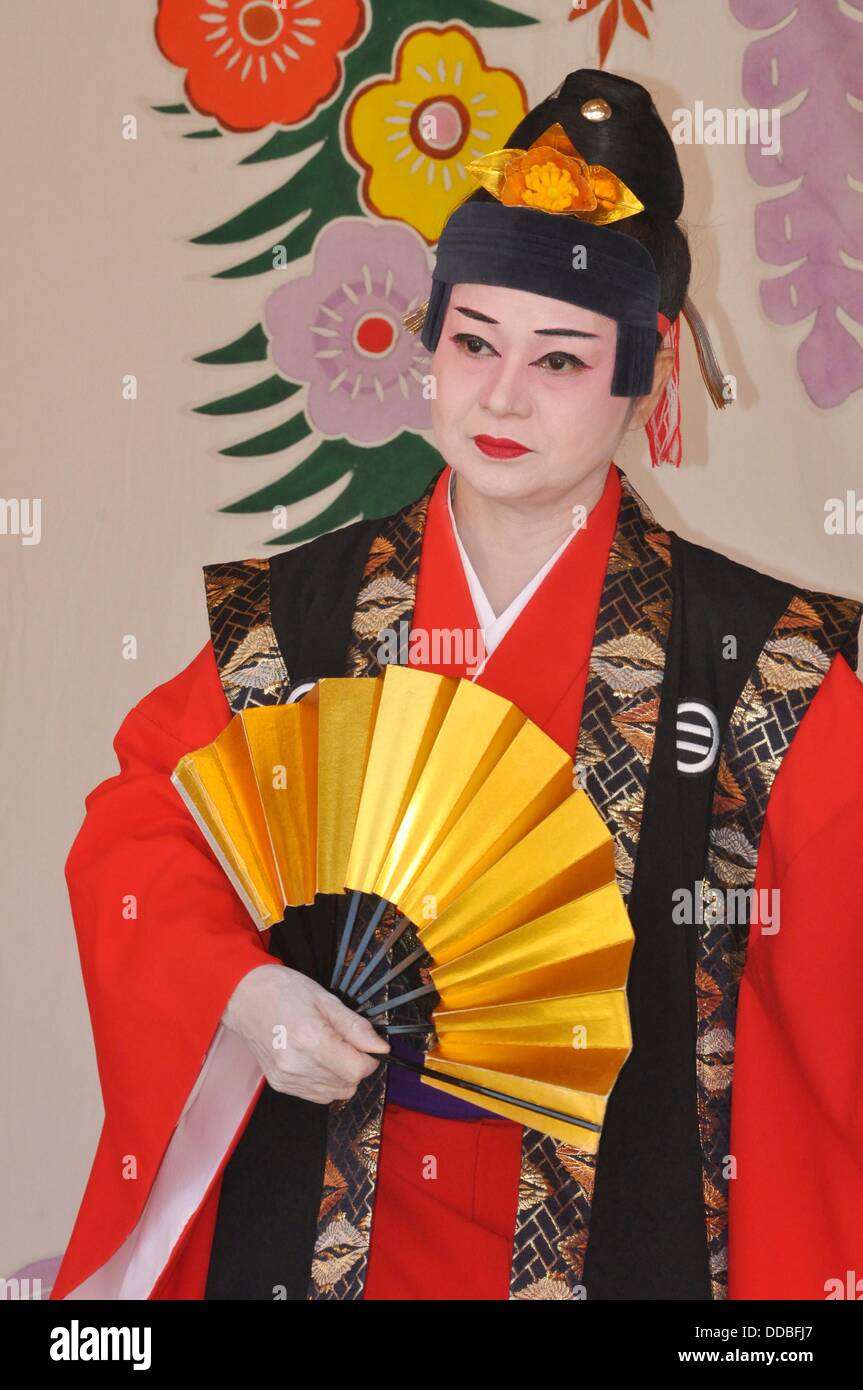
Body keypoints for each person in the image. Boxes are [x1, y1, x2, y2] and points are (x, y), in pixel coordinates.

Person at [52, 69, 863, 1303]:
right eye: (473, 340)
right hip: (323, 1210)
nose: (499, 395)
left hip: (625, 1231)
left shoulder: (767, 669)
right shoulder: (304, 617)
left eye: (560, 358)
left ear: (638, 377)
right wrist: (241, 986)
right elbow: (141, 827)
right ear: (427, 342)